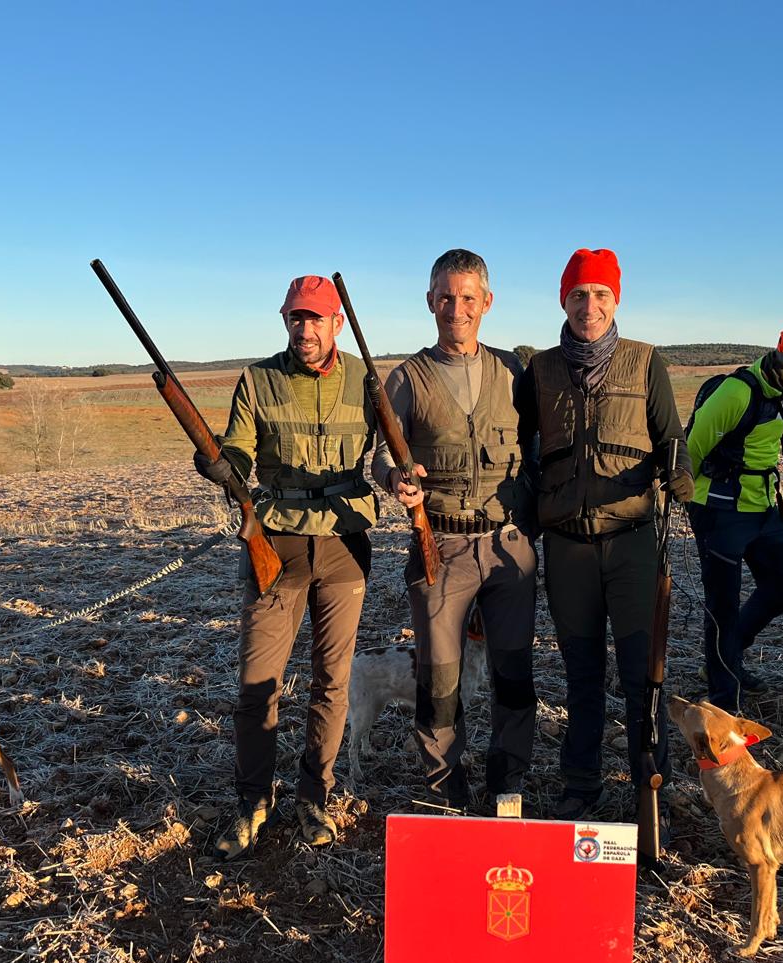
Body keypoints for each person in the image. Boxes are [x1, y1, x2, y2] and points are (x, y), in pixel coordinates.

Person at [194, 275, 377, 858]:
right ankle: (253, 802)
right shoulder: (258, 379)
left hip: (346, 547)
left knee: (332, 681)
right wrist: (220, 463)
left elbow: (398, 450)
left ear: (337, 323)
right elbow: (241, 450)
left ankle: (314, 797)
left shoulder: (370, 383)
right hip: (276, 547)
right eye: (297, 317)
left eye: (317, 318)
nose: (306, 328)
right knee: (258, 685)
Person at [518, 248, 693, 820]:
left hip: (633, 541)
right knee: (582, 674)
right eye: (577, 295)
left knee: (644, 673)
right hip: (566, 545)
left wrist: (679, 472)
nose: (588, 306)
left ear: (616, 300)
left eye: (600, 295)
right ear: (563, 301)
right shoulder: (539, 371)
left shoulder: (646, 363)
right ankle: (580, 786)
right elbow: (522, 451)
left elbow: (670, 436)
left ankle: (651, 786)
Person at [374, 249, 537, 812]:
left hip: (507, 544)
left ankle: (507, 783)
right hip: (438, 544)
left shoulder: (514, 373)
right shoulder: (406, 378)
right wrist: (396, 478)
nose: (457, 308)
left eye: (468, 297)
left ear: (487, 303)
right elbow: (379, 459)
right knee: (439, 680)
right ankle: (448, 791)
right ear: (429, 302)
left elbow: (537, 451)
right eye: (446, 296)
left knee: (513, 673)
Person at [685, 322, 783, 709]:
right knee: (722, 607)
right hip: (720, 511)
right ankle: (724, 700)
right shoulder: (737, 392)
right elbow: (691, 448)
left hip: (763, 507)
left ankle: (726, 659)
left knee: (782, 588)